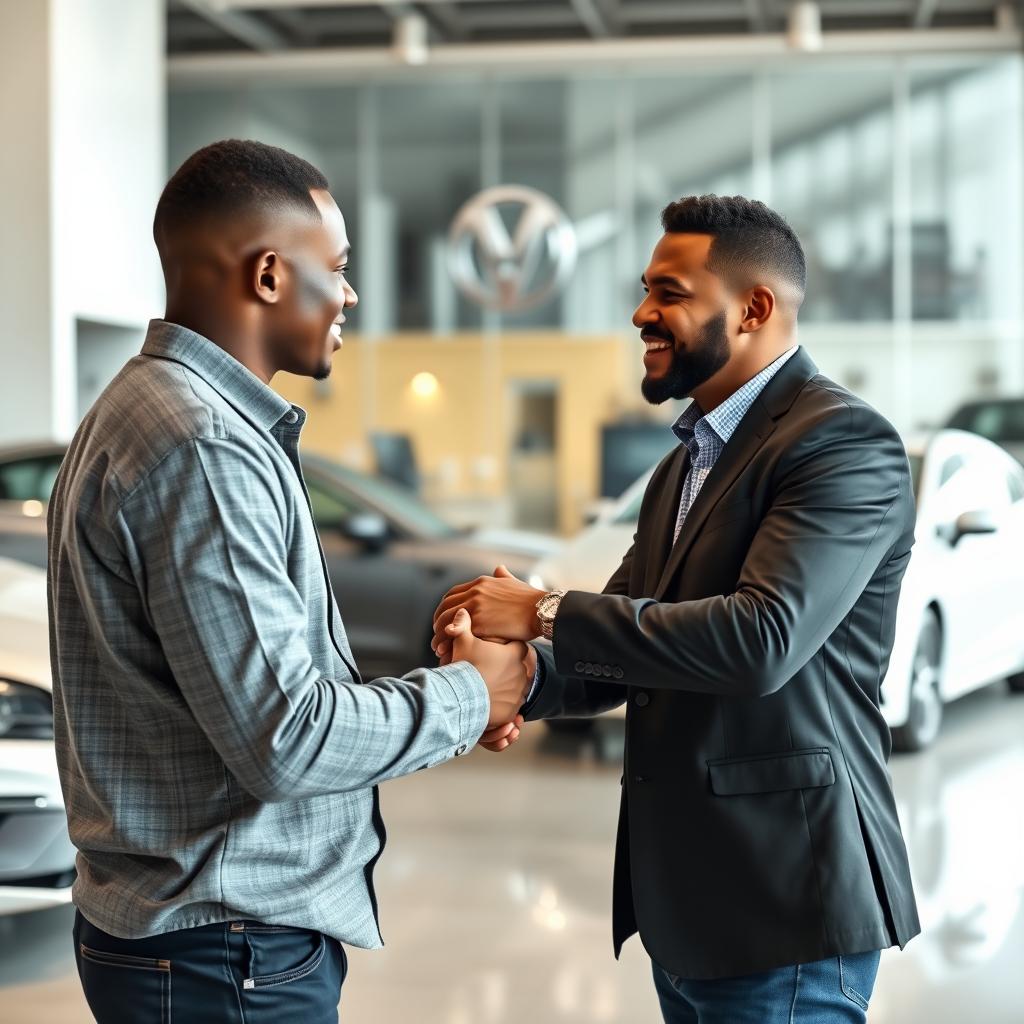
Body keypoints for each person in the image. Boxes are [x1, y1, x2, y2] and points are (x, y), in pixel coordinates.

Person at [47, 139, 530, 1024]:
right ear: (270, 274)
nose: (348, 294)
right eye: (336, 268)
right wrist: (473, 692)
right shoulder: (203, 445)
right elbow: (286, 739)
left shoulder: (144, 406)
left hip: (186, 942)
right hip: (225, 952)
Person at [433, 195, 920, 1023]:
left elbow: (760, 640)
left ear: (754, 307)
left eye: (669, 292)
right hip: (692, 908)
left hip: (786, 905)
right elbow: (623, 639)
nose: (641, 312)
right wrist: (502, 680)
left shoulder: (840, 443)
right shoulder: (684, 463)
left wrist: (543, 611)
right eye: (645, 288)